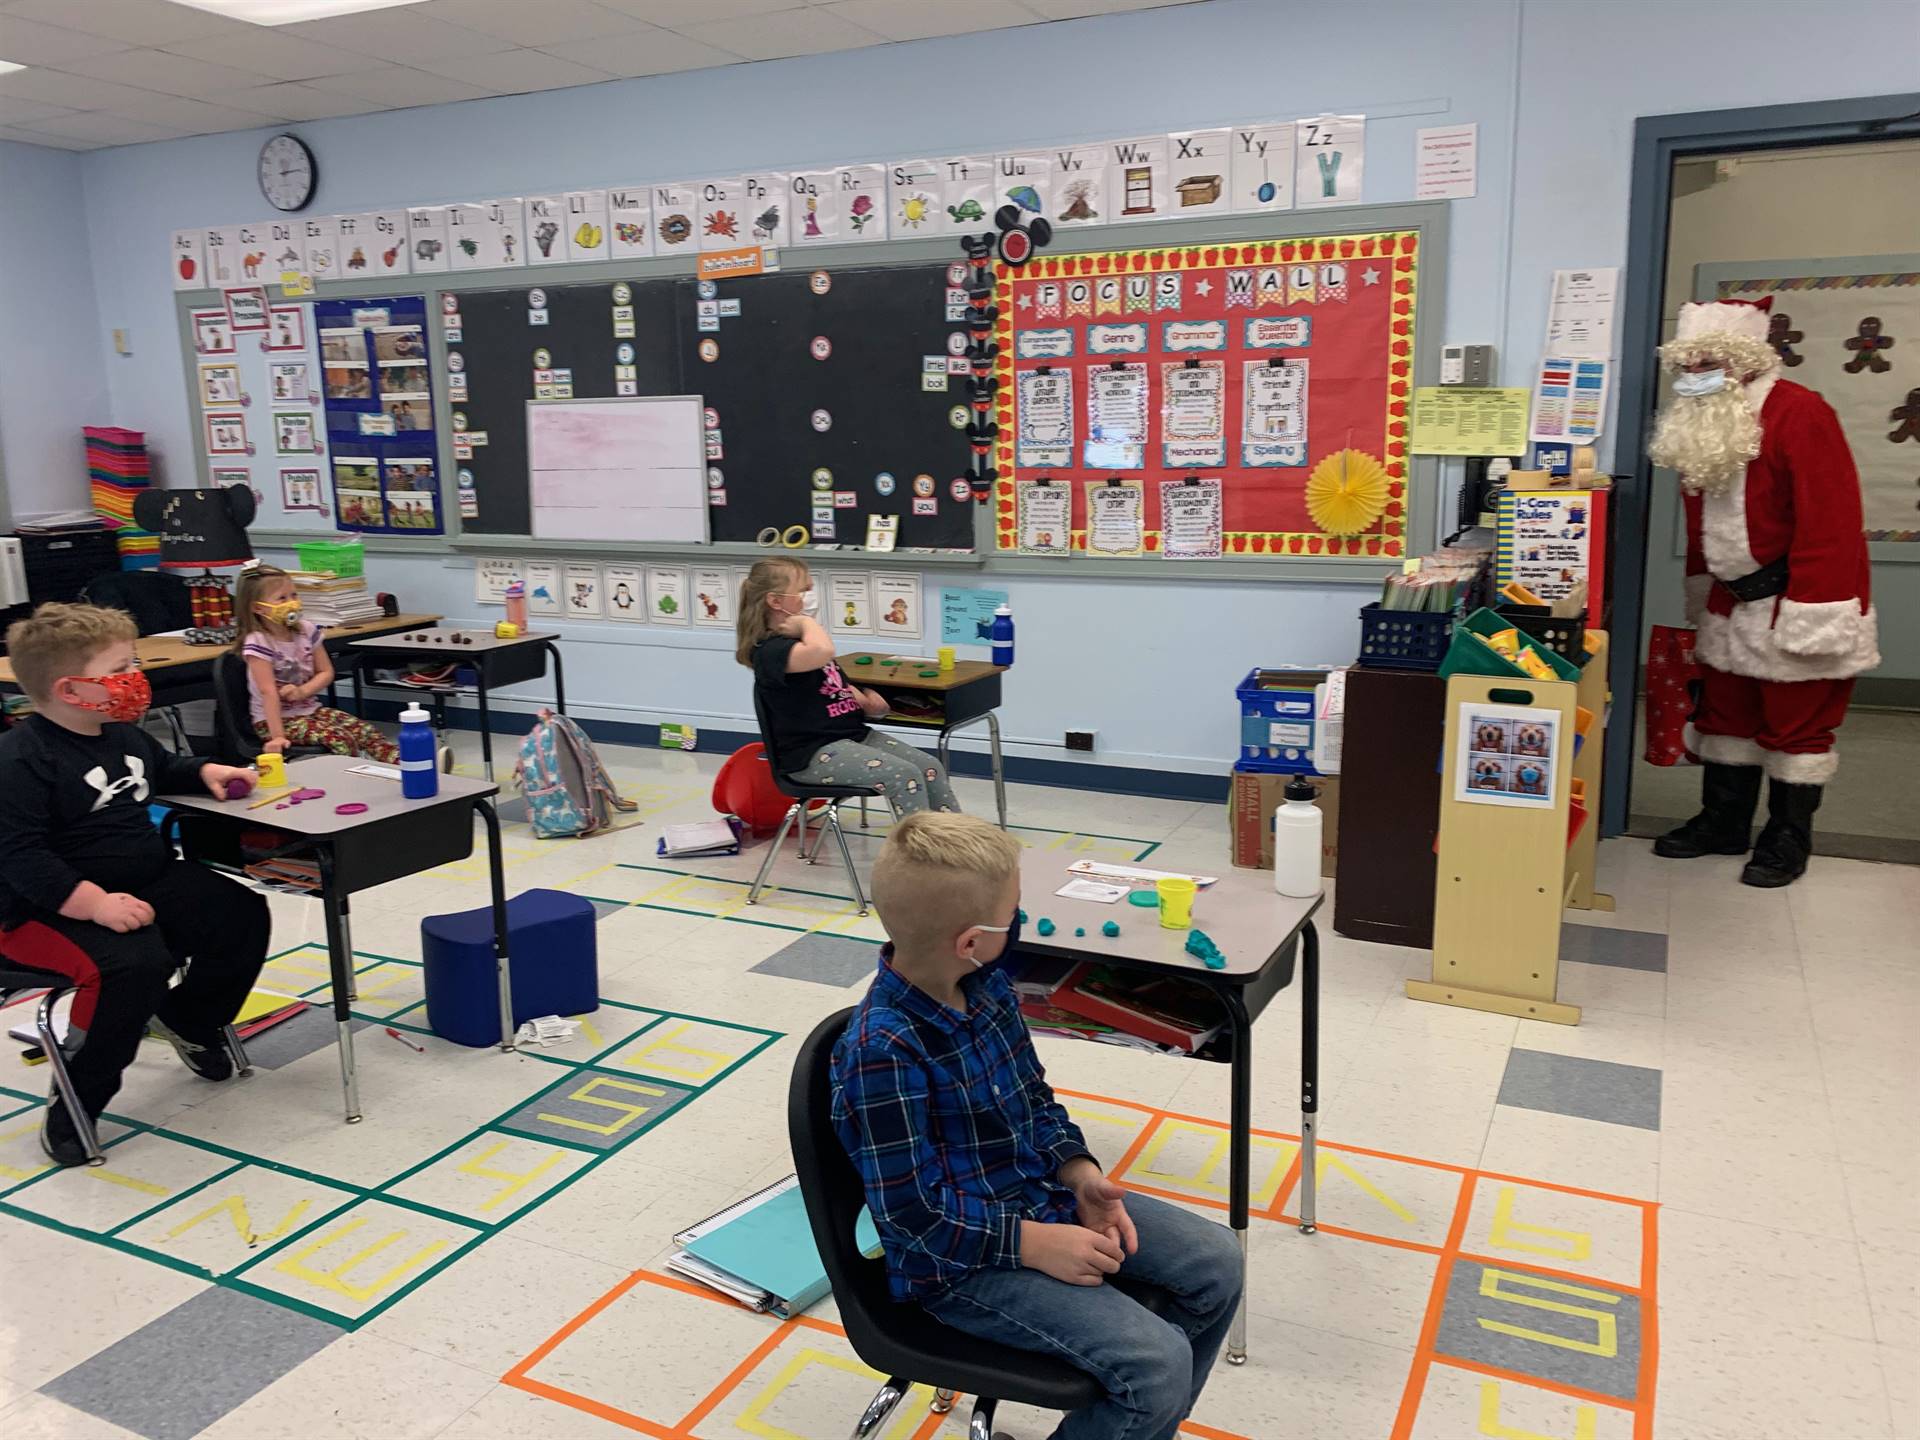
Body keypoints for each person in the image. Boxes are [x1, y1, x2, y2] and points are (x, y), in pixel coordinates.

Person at [832, 813, 1243, 1440]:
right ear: (971, 941)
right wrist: (1031, 1244)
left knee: (1217, 1262)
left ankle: (1130, 1426)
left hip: (1039, 1201)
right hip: (959, 1266)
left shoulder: (988, 988)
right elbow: (915, 1217)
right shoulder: (881, 1050)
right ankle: (1138, 1411)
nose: (1019, 916)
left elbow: (1034, 1101)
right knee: (1157, 1366)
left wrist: (1079, 1174)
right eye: (1014, 909)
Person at [0, 604, 269, 1165]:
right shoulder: (22, 759)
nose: (136, 680)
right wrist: (92, 904)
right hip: (43, 907)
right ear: (69, 688)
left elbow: (162, 769)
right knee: (133, 967)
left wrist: (204, 771)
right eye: (120, 669)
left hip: (142, 878)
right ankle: (77, 1101)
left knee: (240, 915)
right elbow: (19, 855)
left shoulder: (120, 732)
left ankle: (188, 1020)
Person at [1648, 297, 1880, 887]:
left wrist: (1814, 612)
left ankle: (1786, 837)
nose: (1693, 375)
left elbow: (1831, 521)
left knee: (1795, 725)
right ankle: (1722, 822)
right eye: (1687, 364)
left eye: (1707, 363)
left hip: (1798, 600)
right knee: (1726, 717)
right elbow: (1705, 529)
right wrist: (1705, 598)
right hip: (1730, 601)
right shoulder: (1704, 426)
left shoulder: (1802, 414)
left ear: (1743, 359)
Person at [736, 558, 957, 815]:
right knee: (903, 775)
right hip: (810, 755)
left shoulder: (803, 646)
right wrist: (807, 623)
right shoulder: (770, 652)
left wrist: (866, 704)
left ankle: (953, 843)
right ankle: (917, 851)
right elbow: (823, 650)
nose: (810, 597)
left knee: (930, 768)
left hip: (852, 737)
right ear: (775, 601)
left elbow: (833, 687)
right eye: (803, 590)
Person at [236, 564, 424, 765]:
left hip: (310, 710)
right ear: (257, 607)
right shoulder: (258, 642)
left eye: (294, 595)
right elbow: (268, 693)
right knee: (340, 739)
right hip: (274, 721)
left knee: (364, 731)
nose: (291, 603)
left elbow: (326, 671)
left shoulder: (306, 630)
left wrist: (302, 691)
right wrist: (277, 737)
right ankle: (357, 777)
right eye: (282, 598)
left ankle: (409, 764)